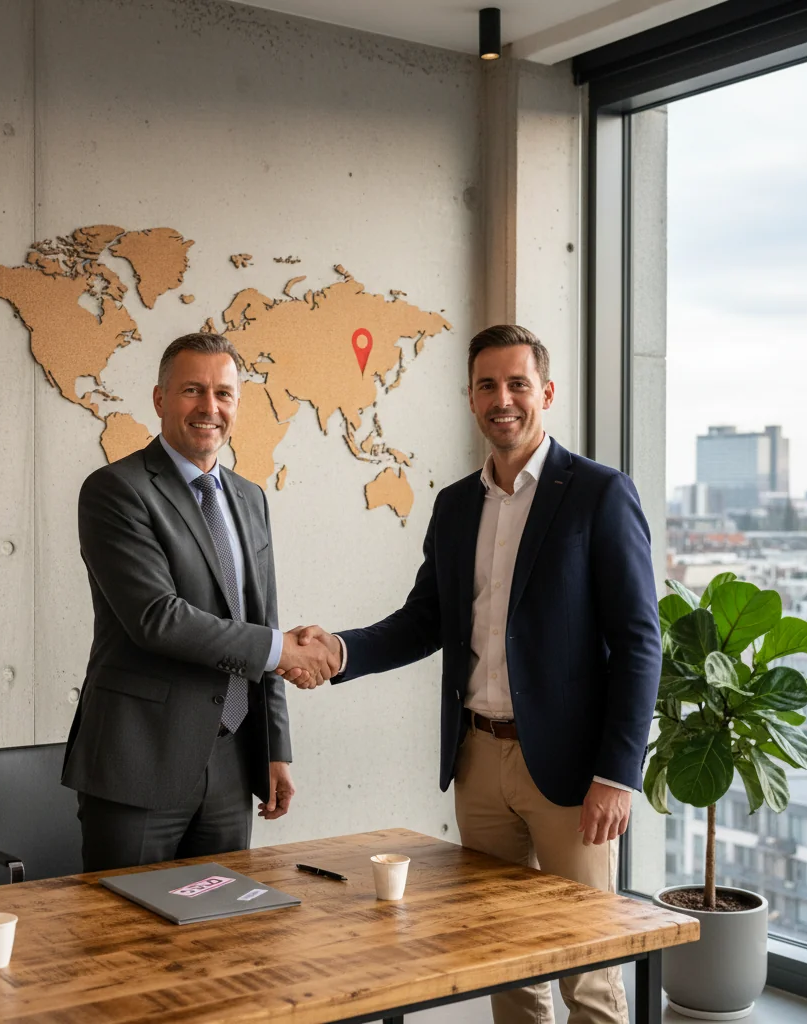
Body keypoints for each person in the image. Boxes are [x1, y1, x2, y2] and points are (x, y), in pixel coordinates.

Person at [290, 325, 661, 1024]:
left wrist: (618, 774)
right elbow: (424, 620)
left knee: (587, 969)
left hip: (571, 774)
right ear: (469, 398)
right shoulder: (456, 504)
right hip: (478, 761)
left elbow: (640, 643)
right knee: (502, 960)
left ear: (546, 392)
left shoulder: (599, 494)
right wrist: (338, 650)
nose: (503, 399)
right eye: (488, 385)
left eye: (518, 384)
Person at [62, 332, 333, 871]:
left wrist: (274, 748)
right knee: (127, 920)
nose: (210, 407)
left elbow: (263, 620)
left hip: (232, 761)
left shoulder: (250, 498)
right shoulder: (115, 490)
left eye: (223, 394)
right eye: (192, 390)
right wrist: (283, 650)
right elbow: (157, 618)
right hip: (139, 761)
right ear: (160, 399)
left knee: (223, 919)